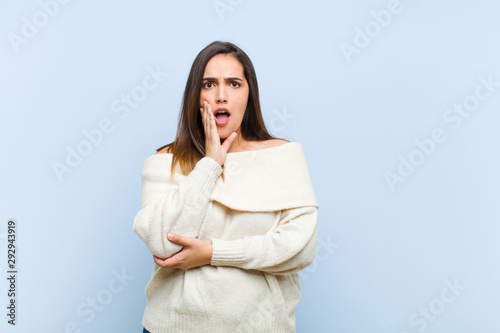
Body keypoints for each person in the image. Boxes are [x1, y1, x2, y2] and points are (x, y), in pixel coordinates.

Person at [133, 41, 319, 333]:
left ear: (249, 94)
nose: (221, 96)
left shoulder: (284, 156)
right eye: (209, 84)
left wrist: (212, 253)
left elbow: (299, 250)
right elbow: (162, 243)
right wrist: (209, 164)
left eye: (234, 83)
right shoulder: (165, 161)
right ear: (195, 96)